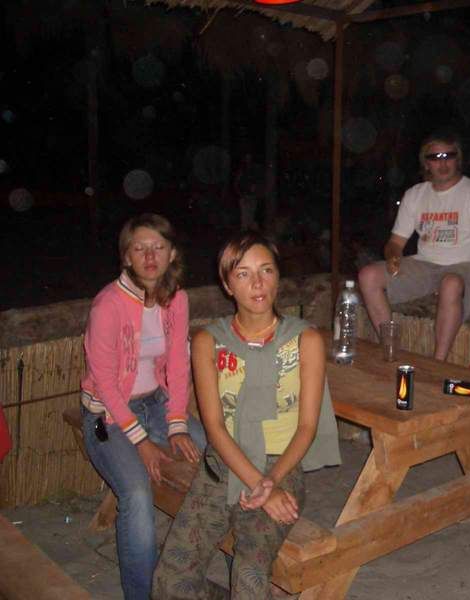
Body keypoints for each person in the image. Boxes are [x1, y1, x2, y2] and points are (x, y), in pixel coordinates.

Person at [152, 232, 341, 599]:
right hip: (222, 465)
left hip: (281, 467)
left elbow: (307, 426)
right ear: (227, 284)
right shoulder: (209, 341)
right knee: (170, 579)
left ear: (278, 277)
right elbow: (214, 427)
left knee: (250, 575)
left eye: (266, 270)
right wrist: (258, 486)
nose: (257, 283)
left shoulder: (305, 340)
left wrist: (271, 482)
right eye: (243, 274)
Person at [80, 213, 206, 600]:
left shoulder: (177, 299)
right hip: (107, 417)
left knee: (216, 454)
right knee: (136, 493)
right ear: (126, 256)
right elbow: (105, 384)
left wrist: (177, 423)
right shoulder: (108, 306)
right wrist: (142, 442)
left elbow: (179, 365)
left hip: (158, 405)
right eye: (140, 248)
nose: (150, 256)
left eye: (158, 247)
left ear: (172, 254)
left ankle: (196, 565)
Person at [359, 131, 470, 361]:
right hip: (426, 263)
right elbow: (395, 243)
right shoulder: (415, 194)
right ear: (426, 163)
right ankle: (390, 350)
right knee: (368, 276)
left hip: (466, 265)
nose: (443, 163)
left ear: (458, 159)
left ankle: (439, 362)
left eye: (449, 155)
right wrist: (393, 256)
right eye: (435, 157)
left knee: (451, 283)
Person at [234, 153, 264, 231]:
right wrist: (241, 194)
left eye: (249, 157)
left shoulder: (254, 169)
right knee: (244, 216)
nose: (248, 159)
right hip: (244, 196)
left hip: (253, 196)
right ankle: (244, 232)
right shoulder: (242, 170)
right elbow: (236, 184)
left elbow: (258, 182)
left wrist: (256, 190)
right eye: (247, 157)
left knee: (252, 216)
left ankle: (251, 232)